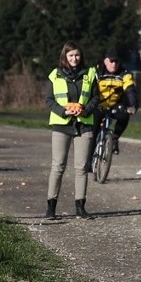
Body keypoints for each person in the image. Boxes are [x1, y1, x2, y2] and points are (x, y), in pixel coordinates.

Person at [44, 41, 99, 220]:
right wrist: (63, 111)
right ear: (64, 57)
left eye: (76, 55)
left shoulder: (90, 73)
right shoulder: (55, 75)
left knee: (81, 167)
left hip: (84, 124)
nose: (74, 58)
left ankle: (80, 207)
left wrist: (85, 109)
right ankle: (51, 208)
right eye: (70, 55)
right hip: (62, 124)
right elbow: (49, 100)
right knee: (58, 166)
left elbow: (96, 97)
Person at [93, 49, 138, 155]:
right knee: (93, 129)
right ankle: (90, 158)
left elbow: (130, 90)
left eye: (116, 62)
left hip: (115, 105)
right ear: (105, 61)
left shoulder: (124, 74)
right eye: (111, 61)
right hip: (98, 105)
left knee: (125, 115)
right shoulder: (97, 72)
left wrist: (134, 105)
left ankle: (115, 138)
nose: (114, 64)